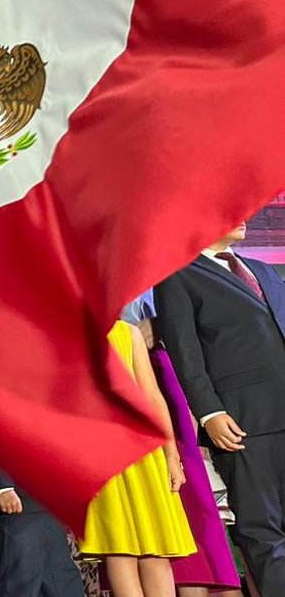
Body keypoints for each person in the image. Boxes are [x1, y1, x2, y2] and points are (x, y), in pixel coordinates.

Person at [154, 222, 285, 595]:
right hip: (243, 423)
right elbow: (184, 350)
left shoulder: (260, 270)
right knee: (262, 529)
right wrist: (210, 411)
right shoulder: (179, 273)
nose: (242, 217)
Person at [123, 293, 242, 595]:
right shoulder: (133, 290)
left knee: (197, 517)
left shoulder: (169, 277)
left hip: (171, 380)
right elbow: (141, 334)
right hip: (148, 380)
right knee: (179, 513)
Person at [80, 320, 196, 596]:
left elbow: (153, 397)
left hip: (145, 450)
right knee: (120, 548)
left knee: (157, 546)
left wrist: (171, 455)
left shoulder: (126, 332)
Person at [0, 464, 83, 596]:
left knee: (63, 580)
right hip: (18, 502)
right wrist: (3, 487)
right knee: (21, 581)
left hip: (48, 495)